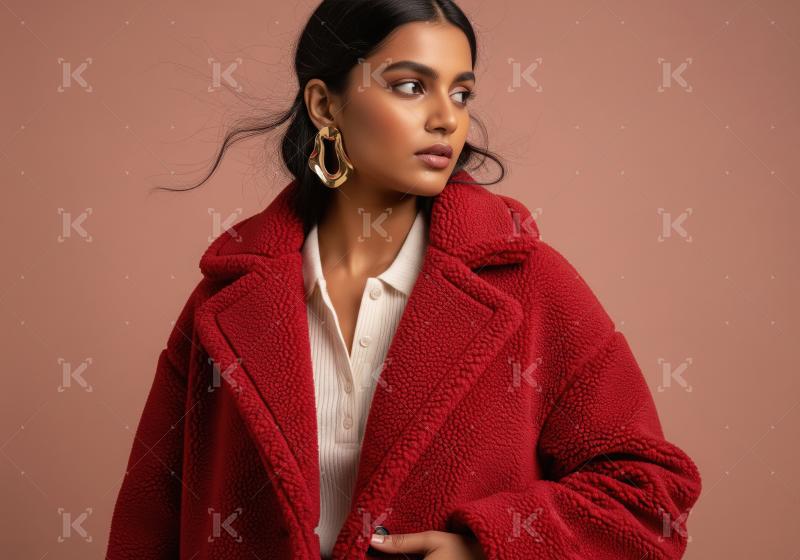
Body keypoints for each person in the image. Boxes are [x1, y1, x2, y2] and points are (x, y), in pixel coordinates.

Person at [106, 1, 702, 559]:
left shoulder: (528, 283)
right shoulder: (228, 298)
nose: (447, 118)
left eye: (462, 92)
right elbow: (147, 524)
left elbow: (650, 494)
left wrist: (490, 546)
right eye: (411, 86)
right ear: (325, 105)